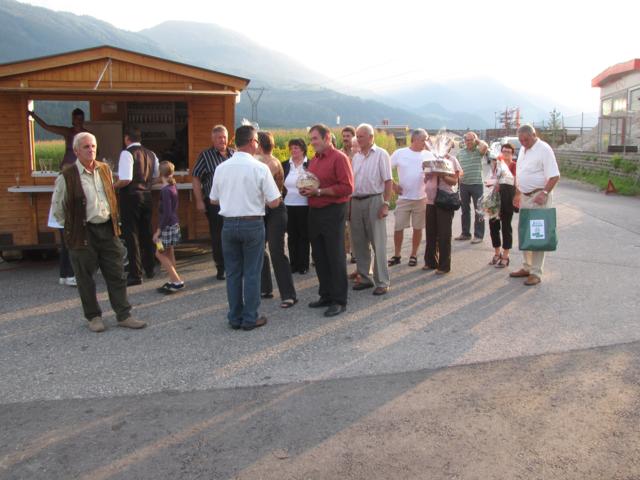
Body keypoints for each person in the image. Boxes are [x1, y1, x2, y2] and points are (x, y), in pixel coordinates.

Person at [51, 132, 146, 332]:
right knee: (85, 277)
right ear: (76, 151)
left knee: (117, 273)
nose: (91, 150)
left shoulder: (104, 169)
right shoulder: (67, 176)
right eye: (86, 147)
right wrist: (73, 230)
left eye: (93, 146)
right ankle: (93, 317)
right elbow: (58, 210)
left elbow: (110, 196)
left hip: (107, 228)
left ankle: (124, 315)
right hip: (83, 231)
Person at [209, 125, 281, 331]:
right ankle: (250, 317)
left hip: (229, 224)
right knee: (251, 272)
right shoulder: (260, 168)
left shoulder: (221, 168)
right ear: (251, 142)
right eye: (256, 141)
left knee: (233, 273)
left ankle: (234, 317)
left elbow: (213, 199)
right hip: (252, 223)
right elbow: (274, 202)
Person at [300, 124, 354, 317]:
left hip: (333, 210)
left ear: (327, 137)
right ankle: (326, 295)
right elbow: (313, 183)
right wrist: (306, 189)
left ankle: (339, 300)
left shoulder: (339, 158)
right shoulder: (315, 159)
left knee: (335, 255)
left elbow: (347, 188)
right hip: (315, 211)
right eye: (311, 139)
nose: (312, 142)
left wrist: (319, 191)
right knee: (319, 255)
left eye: (315, 138)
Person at [510, 125, 560, 286]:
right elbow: (520, 174)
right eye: (521, 140)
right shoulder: (523, 150)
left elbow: (554, 176)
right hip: (525, 196)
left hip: (539, 196)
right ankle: (527, 266)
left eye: (526, 140)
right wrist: (518, 193)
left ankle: (536, 272)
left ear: (534, 134)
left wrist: (544, 193)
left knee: (537, 234)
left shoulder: (544, 149)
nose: (523, 143)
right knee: (525, 232)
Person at [350, 124, 393, 295]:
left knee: (378, 242)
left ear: (371, 137)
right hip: (356, 201)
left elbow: (388, 180)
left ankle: (382, 281)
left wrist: (386, 204)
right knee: (359, 242)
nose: (358, 139)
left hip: (374, 200)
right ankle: (364, 277)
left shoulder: (381, 154)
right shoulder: (356, 157)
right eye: (357, 136)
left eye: (361, 136)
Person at [114, 126, 159, 286]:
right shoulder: (151, 154)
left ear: (127, 138)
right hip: (147, 196)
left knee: (131, 234)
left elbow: (126, 179)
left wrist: (112, 186)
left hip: (131, 196)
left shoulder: (127, 153)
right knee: (147, 232)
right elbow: (156, 176)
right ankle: (150, 268)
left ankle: (135, 273)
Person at [256, 131, 297, 308]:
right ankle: (265, 288)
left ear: (259, 145)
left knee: (276, 251)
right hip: (261, 210)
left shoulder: (271, 163)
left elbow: (259, 186)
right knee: (259, 248)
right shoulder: (258, 161)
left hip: (275, 210)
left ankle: (289, 295)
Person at [192, 125, 234, 280]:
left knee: (233, 234)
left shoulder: (234, 154)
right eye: (218, 137)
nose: (222, 140)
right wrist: (199, 200)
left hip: (234, 202)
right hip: (215, 203)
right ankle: (221, 267)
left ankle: (234, 266)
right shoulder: (205, 156)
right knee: (218, 235)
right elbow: (195, 177)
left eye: (224, 137)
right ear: (213, 139)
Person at [389, 128, 432, 268]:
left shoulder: (429, 155)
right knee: (398, 227)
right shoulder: (400, 153)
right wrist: (393, 185)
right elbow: (386, 169)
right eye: (424, 139)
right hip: (404, 197)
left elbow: (433, 173)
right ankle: (397, 255)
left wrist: (428, 178)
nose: (426, 142)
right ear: (414, 139)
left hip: (421, 198)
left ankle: (413, 255)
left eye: (426, 139)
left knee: (418, 228)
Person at [423, 154, 463, 274]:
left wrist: (442, 175)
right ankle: (430, 261)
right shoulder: (431, 158)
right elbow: (426, 179)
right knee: (430, 232)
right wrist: (427, 173)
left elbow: (454, 181)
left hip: (444, 200)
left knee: (444, 234)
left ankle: (444, 265)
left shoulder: (452, 160)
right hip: (430, 200)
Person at [154, 161, 184, 294]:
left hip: (166, 226)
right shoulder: (173, 186)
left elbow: (166, 213)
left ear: (160, 174)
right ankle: (173, 279)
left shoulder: (165, 190)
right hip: (174, 224)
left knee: (159, 253)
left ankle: (176, 281)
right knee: (169, 251)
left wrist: (158, 231)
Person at [486, 143, 516, 268]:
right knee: (493, 226)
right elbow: (490, 181)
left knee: (506, 227)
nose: (506, 154)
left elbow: (515, 181)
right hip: (495, 199)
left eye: (508, 152)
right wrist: (491, 182)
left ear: (512, 154)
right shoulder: (497, 165)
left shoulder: (514, 166)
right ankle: (497, 252)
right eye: (504, 151)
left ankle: (506, 255)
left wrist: (501, 184)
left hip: (507, 199)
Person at [283, 138, 310, 274]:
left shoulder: (310, 164)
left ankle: (303, 264)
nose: (293, 150)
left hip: (304, 205)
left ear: (303, 150)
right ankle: (293, 264)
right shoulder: (285, 165)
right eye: (291, 148)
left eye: (296, 148)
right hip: (288, 205)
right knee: (292, 236)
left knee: (304, 235)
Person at [455, 132, 488, 244]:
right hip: (464, 185)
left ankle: (478, 235)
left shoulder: (479, 151)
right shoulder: (460, 153)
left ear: (475, 141)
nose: (469, 142)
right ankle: (465, 234)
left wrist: (477, 141)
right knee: (464, 210)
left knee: (479, 210)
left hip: (477, 184)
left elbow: (485, 147)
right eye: (467, 140)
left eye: (471, 140)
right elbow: (457, 168)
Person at [340, 126, 359, 265]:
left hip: (357, 194)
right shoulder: (339, 153)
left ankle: (355, 252)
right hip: (343, 195)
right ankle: (345, 251)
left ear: (354, 137)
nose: (345, 138)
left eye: (348, 136)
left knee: (355, 225)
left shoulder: (357, 153)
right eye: (344, 136)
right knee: (343, 224)